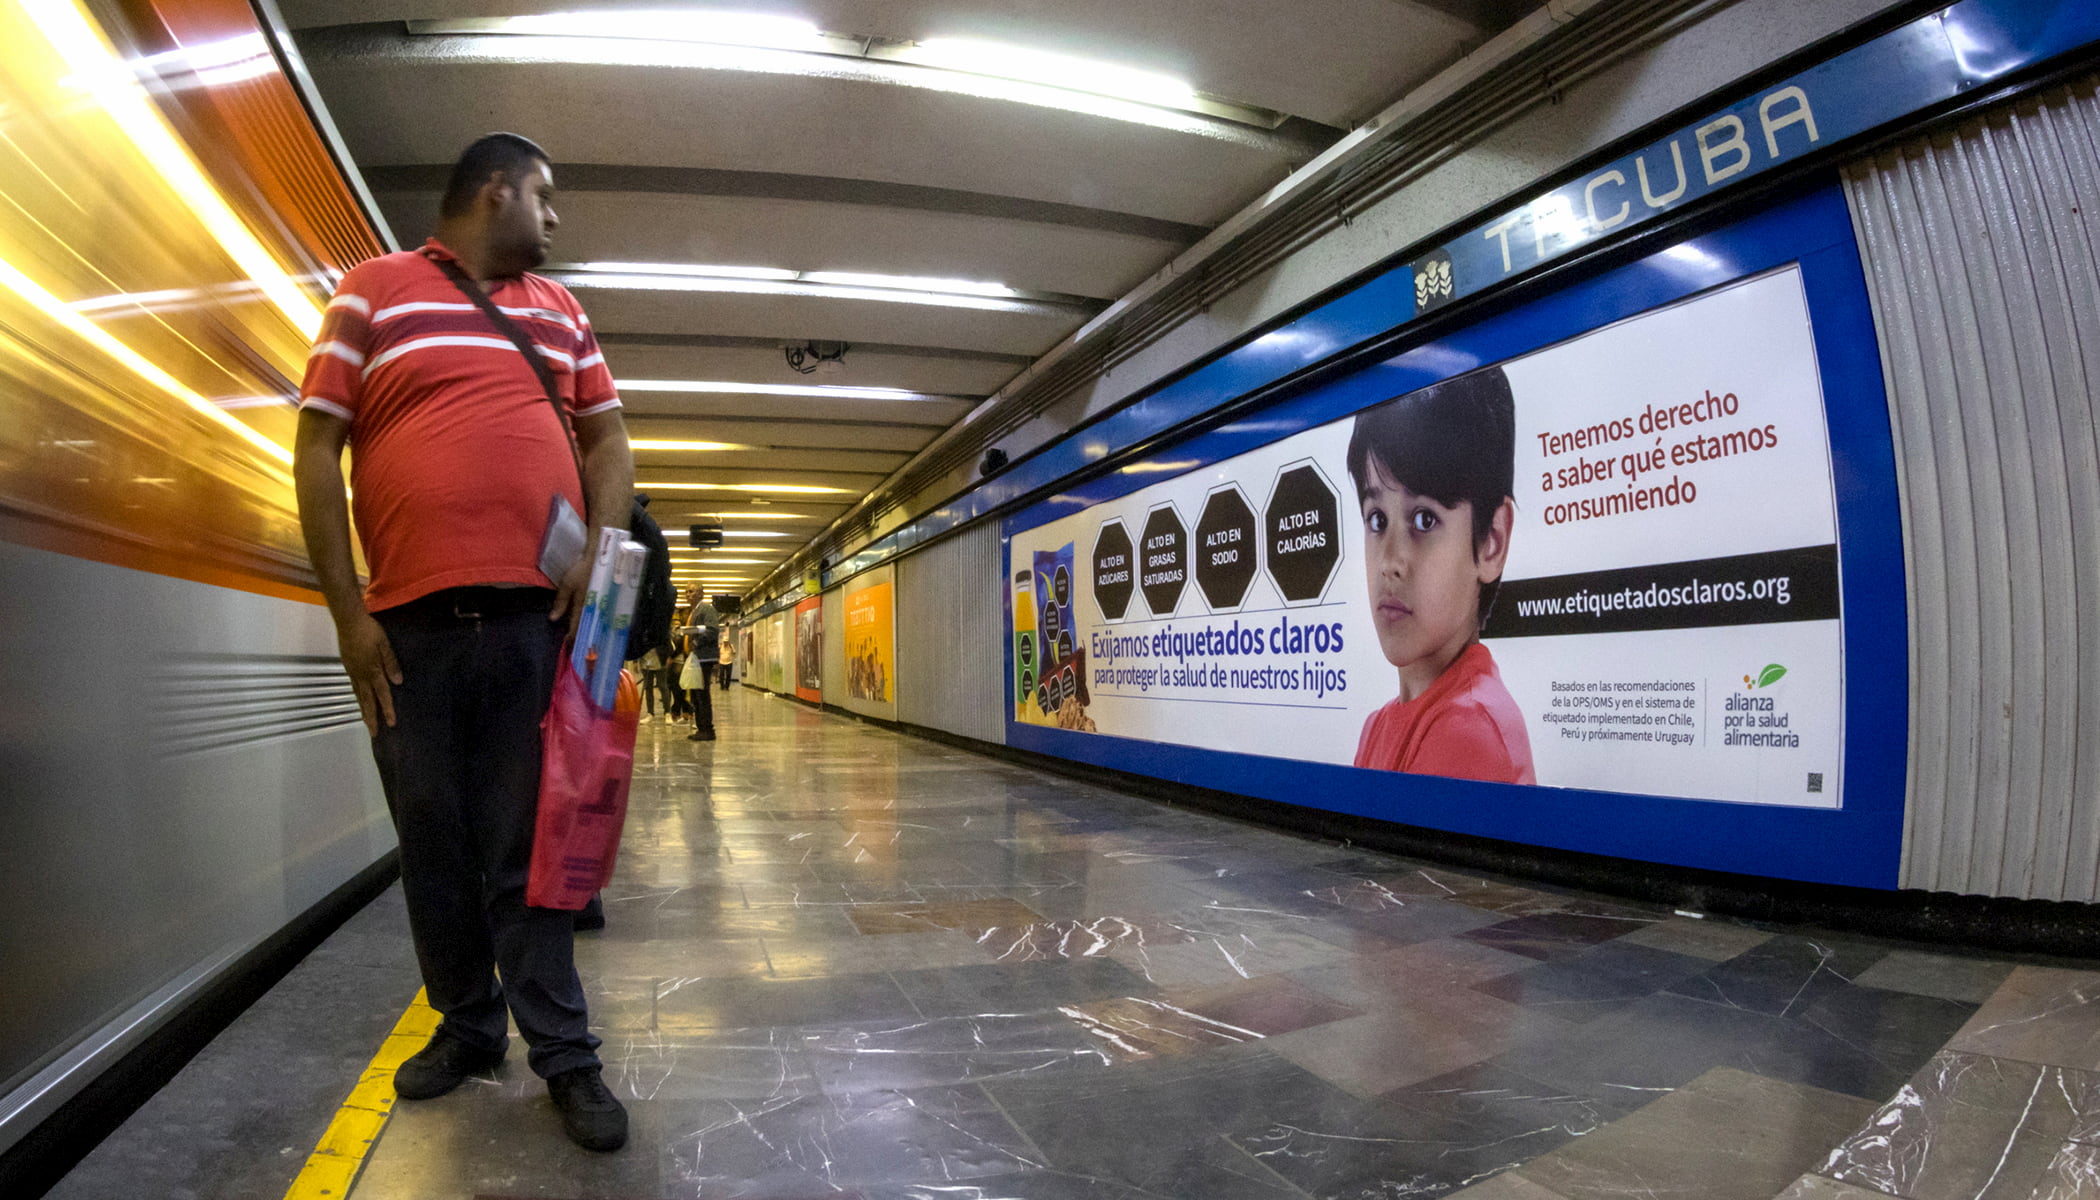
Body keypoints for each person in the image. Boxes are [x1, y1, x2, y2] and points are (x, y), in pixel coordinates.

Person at [292, 132, 629, 1152]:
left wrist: (601, 559)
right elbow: (316, 446)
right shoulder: (372, 291)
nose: (556, 220)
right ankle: (469, 1030)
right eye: (546, 195)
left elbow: (609, 437)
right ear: (496, 191)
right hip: (409, 634)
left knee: (532, 853)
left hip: (537, 623)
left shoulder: (562, 314)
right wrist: (349, 612)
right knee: (434, 844)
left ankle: (564, 1056)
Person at [1346, 365, 1534, 784]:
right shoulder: (1379, 725)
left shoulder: (1469, 728)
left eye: (1425, 520)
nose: (1389, 562)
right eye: (1377, 520)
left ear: (1492, 541)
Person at [681, 590, 721, 741]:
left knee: (702, 693)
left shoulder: (707, 609)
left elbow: (712, 630)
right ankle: (701, 728)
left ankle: (707, 729)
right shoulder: (695, 611)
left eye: (691, 591)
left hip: (704, 658)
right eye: (686, 592)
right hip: (697, 658)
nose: (688, 594)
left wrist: (696, 642)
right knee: (697, 694)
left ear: (700, 593)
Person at [716, 623, 735, 690]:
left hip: (729, 662)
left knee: (728, 675)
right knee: (721, 675)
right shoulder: (720, 646)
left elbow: (734, 653)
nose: (726, 643)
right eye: (725, 642)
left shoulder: (731, 646)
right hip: (721, 662)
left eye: (726, 642)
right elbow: (717, 653)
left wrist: (732, 649)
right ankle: (721, 686)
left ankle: (727, 686)